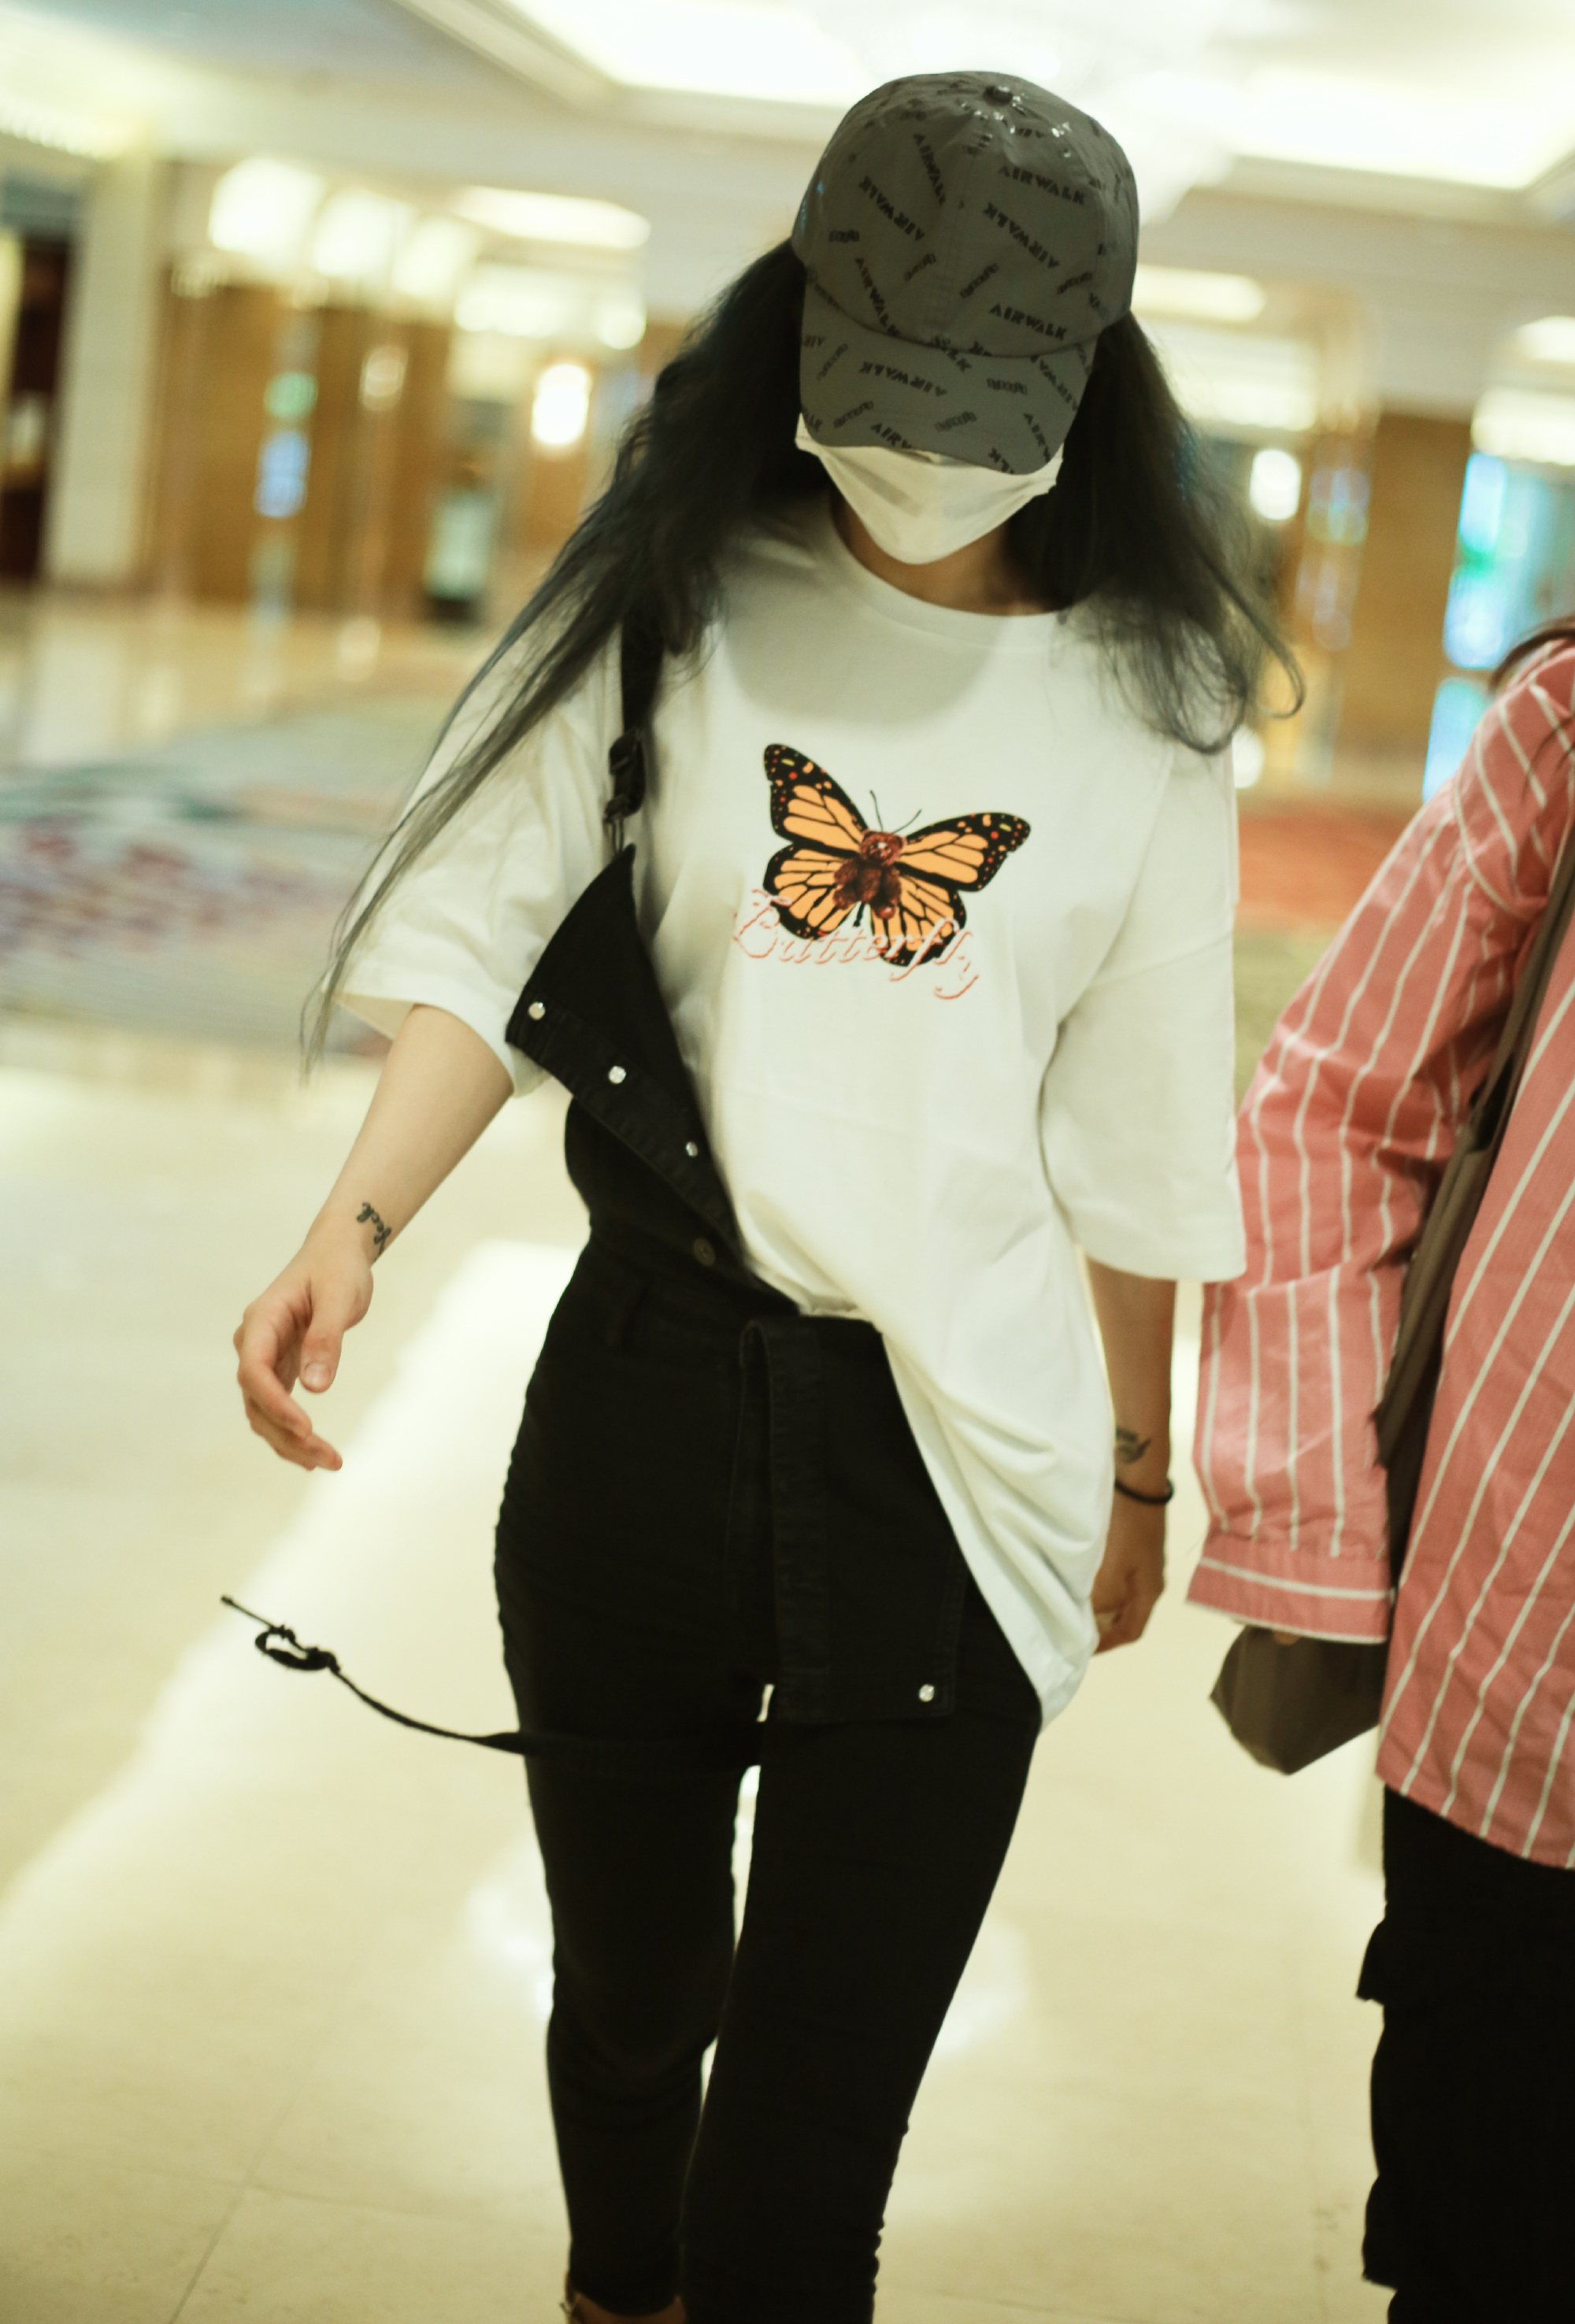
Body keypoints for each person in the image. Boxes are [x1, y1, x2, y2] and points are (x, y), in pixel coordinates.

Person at [235, 72, 1290, 2324]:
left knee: (803, 2176)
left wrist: (1136, 1468)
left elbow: (1136, 1139)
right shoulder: (677, 602)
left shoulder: (1153, 709)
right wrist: (352, 1226)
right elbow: (486, 942)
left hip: (955, 1473)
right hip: (641, 1414)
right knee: (632, 2010)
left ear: (1081, 386)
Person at [1191, 624, 1575, 2320]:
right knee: (1489, 2242)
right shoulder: (1566, 724)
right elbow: (1335, 1109)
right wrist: (1323, 1533)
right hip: (1529, 1691)